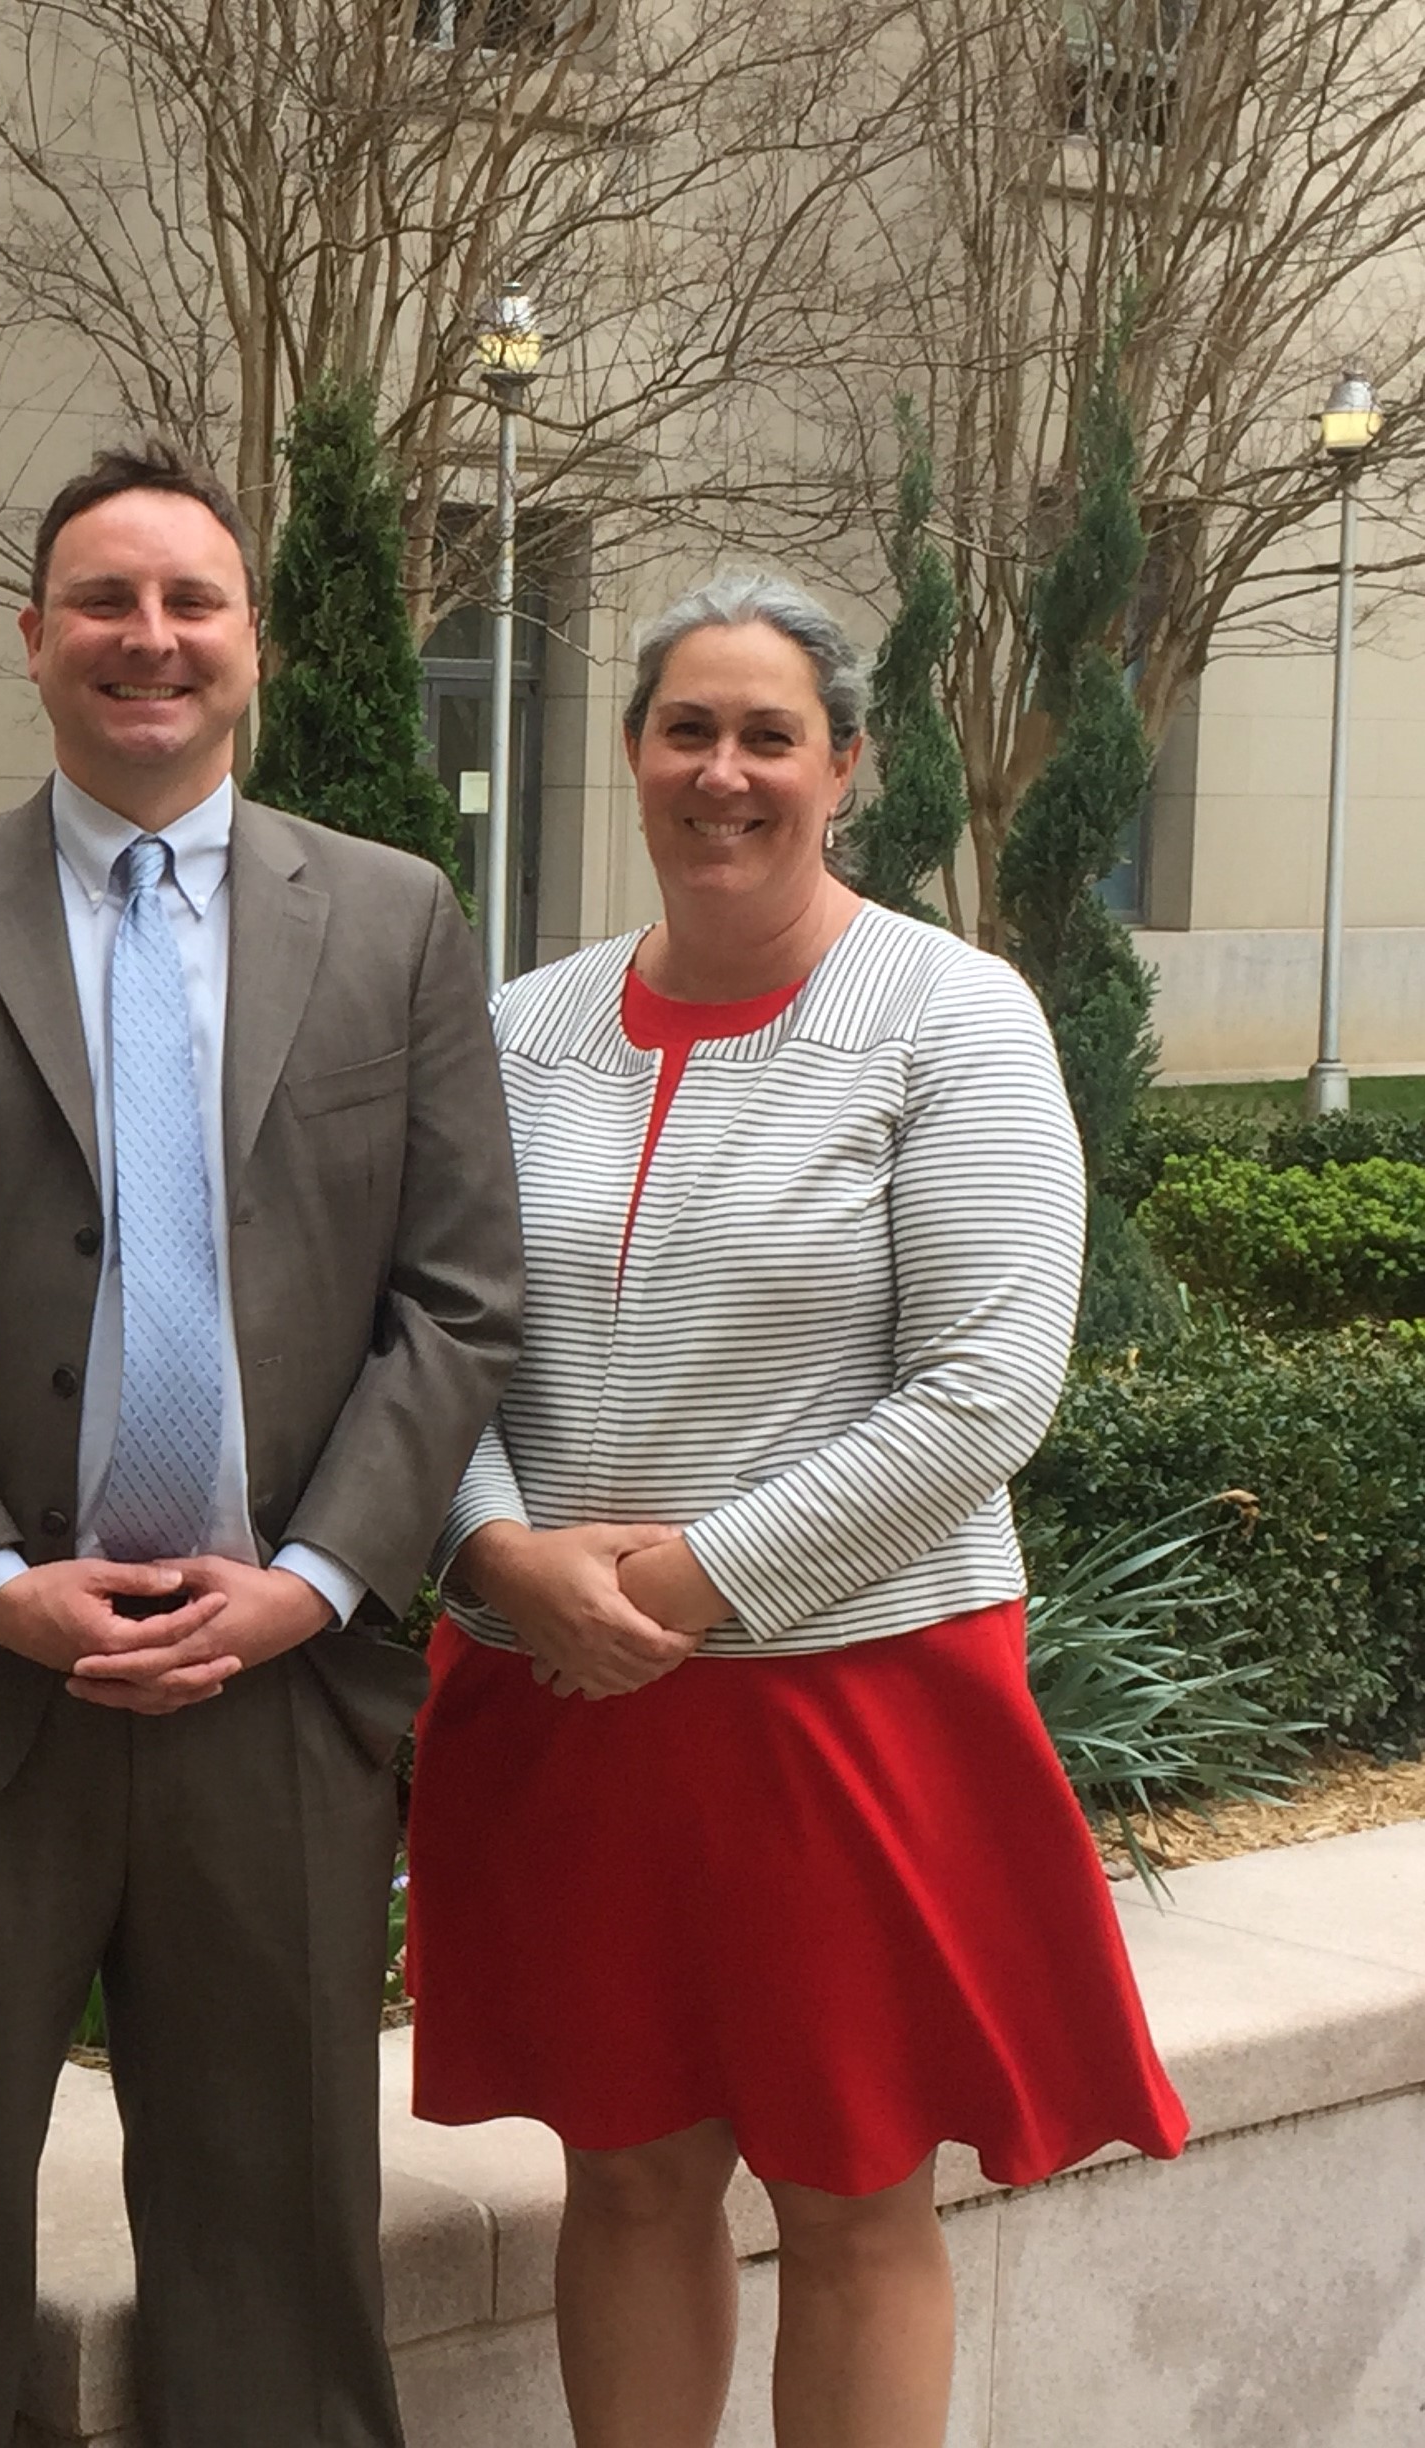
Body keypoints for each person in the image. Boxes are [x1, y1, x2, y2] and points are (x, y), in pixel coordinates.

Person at [0, 439, 525, 2448]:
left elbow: (458, 1299)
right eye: (105, 600)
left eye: (193, 601)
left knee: (282, 2234)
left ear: (252, 641)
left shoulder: (396, 919)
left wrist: (316, 1580)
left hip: (281, 1698)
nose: (150, 638)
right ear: (35, 638)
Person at [404, 572, 1189, 2448]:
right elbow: (425, 1332)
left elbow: (989, 1385)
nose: (725, 772)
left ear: (847, 765)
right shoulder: (520, 1028)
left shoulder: (952, 1019)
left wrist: (687, 1581)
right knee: (624, 2171)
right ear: (633, 753)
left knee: (852, 2194)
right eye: (688, 729)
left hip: (849, 1697)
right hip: (559, 1690)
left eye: (772, 736)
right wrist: (498, 1554)